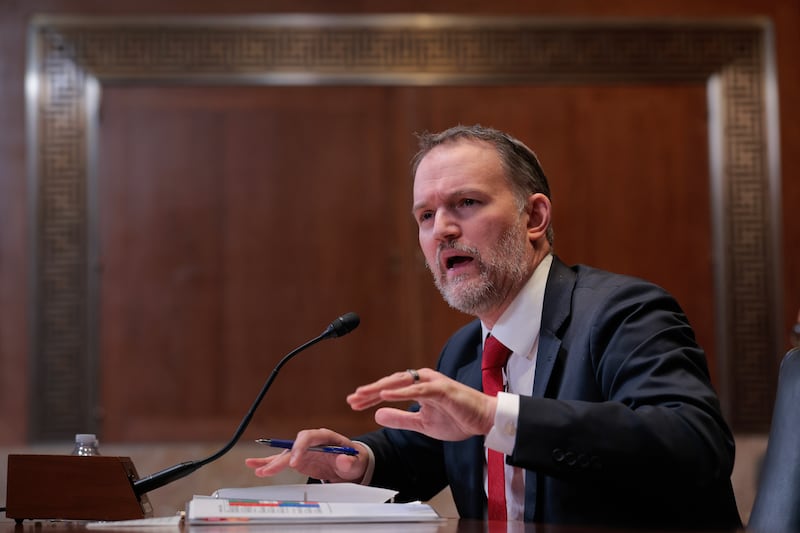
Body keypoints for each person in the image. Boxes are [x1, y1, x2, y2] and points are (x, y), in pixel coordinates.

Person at [246, 125, 742, 529]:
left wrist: (496, 416)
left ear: (534, 216)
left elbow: (694, 445)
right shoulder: (465, 351)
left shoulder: (625, 313)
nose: (442, 229)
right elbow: (420, 451)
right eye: (426, 215)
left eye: (466, 203)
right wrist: (355, 461)